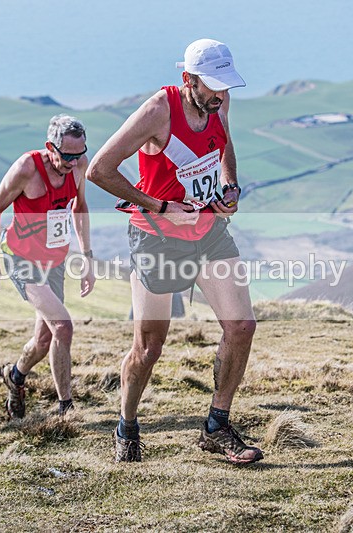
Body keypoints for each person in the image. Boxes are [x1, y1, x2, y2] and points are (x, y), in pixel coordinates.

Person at [87, 39, 263, 465]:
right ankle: (126, 424)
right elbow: (98, 171)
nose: (221, 96)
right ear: (188, 80)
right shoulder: (157, 112)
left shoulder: (218, 103)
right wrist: (162, 206)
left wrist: (229, 187)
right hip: (156, 237)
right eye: (213, 87)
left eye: (226, 87)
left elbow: (224, 146)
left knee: (241, 327)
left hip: (209, 231)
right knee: (149, 348)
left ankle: (216, 427)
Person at [0, 114, 95, 419]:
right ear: (50, 147)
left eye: (80, 154)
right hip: (21, 259)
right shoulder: (27, 169)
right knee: (63, 326)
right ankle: (66, 408)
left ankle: (16, 375)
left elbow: (79, 206)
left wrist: (87, 258)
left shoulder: (79, 165)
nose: (73, 162)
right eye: (67, 155)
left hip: (54, 260)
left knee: (44, 341)